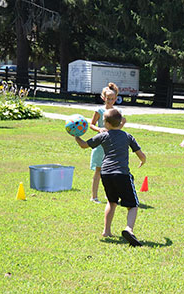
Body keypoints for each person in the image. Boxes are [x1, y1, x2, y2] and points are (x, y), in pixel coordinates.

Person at [75, 109, 146, 247]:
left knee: (111, 201)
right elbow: (140, 154)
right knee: (132, 205)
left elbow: (84, 145)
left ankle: (106, 231)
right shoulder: (127, 136)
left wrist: (76, 135)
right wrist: (143, 161)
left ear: (106, 123)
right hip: (122, 174)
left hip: (106, 173)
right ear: (120, 122)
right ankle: (129, 229)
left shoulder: (103, 135)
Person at [88, 82, 126, 204]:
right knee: (98, 170)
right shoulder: (99, 110)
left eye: (112, 99)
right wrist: (99, 129)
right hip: (101, 145)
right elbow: (91, 124)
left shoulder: (117, 111)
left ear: (116, 99)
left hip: (113, 146)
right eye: (107, 98)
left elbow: (117, 128)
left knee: (112, 171)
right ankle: (94, 196)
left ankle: (111, 195)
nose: (109, 101)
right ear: (103, 98)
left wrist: (122, 123)